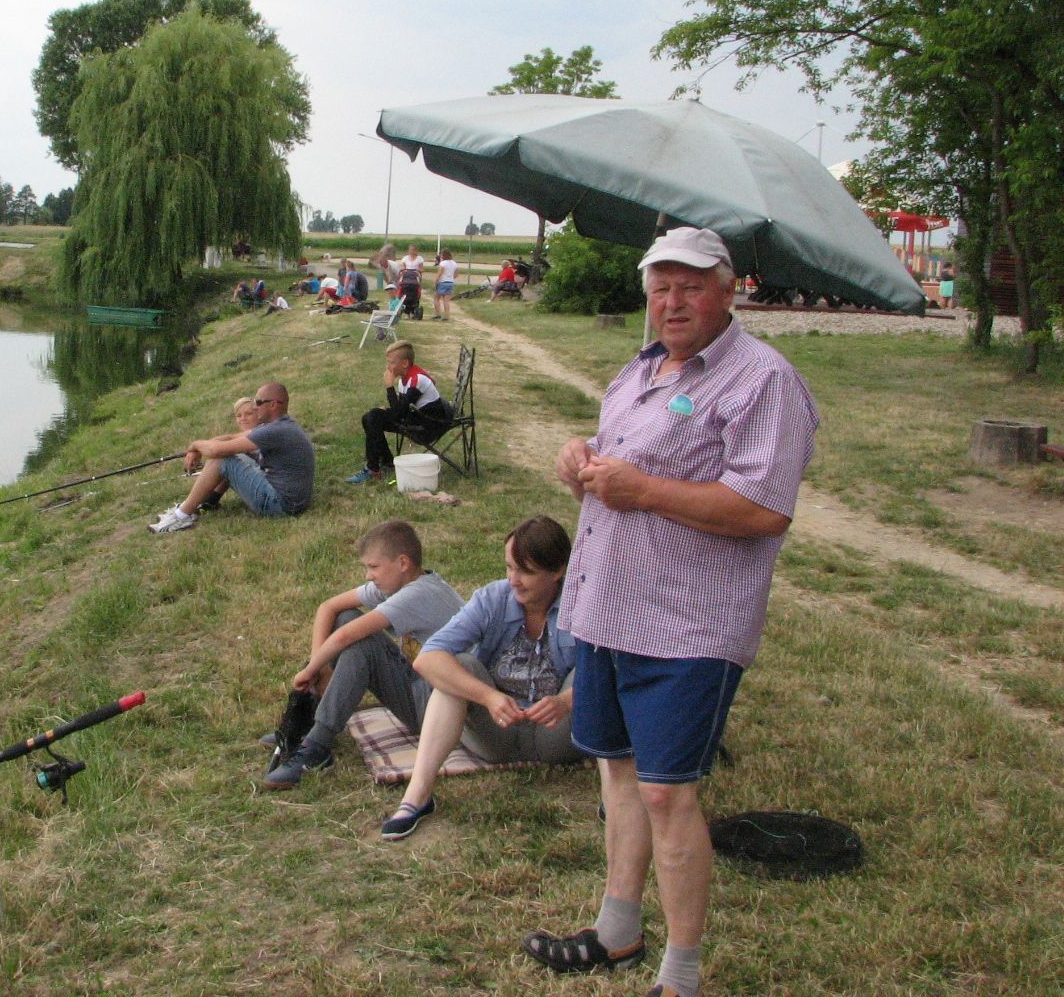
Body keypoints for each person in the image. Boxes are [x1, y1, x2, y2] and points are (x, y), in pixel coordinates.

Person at [526, 226, 817, 997]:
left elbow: (763, 509)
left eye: (690, 285)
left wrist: (642, 490)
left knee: (667, 792)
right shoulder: (643, 366)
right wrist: (578, 457)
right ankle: (616, 932)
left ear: (730, 289)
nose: (672, 301)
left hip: (688, 624)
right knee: (617, 774)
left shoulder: (764, 380)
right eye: (660, 286)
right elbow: (621, 457)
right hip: (608, 608)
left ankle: (680, 977)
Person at [379, 515, 581, 840]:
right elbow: (428, 660)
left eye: (525, 571)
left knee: (593, 674)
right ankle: (417, 797)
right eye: (509, 568)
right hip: (498, 730)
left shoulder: (581, 604)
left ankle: (615, 801)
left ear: (557, 572)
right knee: (457, 667)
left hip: (557, 733)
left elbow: (615, 671)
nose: (514, 580)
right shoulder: (493, 599)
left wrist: (563, 701)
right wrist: (489, 697)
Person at [262, 520, 463, 788]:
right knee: (345, 616)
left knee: (362, 646)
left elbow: (347, 637)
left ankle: (317, 747)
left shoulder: (419, 594)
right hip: (422, 686)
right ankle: (311, 722)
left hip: (440, 710)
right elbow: (329, 607)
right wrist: (320, 666)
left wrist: (310, 670)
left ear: (403, 563)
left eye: (374, 567)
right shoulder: (398, 583)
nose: (368, 575)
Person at [149, 382, 315, 533]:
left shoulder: (275, 430)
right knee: (230, 452)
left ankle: (181, 516)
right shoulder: (281, 425)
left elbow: (215, 451)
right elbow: (232, 438)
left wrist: (194, 445)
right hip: (292, 502)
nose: (255, 407)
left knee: (222, 459)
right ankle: (202, 504)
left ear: (273, 405)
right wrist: (196, 450)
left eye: (258, 402)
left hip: (281, 505)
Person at [347, 340, 450, 484]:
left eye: (391, 363)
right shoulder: (407, 377)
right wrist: (386, 410)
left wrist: (389, 387)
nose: (388, 367)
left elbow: (398, 414)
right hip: (417, 418)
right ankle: (386, 463)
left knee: (373, 417)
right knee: (369, 417)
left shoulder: (415, 380)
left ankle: (373, 469)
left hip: (428, 428)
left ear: (405, 363)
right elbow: (400, 410)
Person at [396, 245, 425, 319]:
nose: (411, 251)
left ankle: (413, 311)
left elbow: (422, 269)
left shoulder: (419, 259)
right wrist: (405, 272)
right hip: (406, 278)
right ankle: (406, 312)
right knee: (403, 293)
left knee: (416, 294)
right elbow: (403, 268)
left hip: (415, 278)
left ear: (415, 250)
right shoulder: (405, 258)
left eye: (413, 250)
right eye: (410, 250)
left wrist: (417, 271)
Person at [434, 248, 459, 321]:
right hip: (450, 282)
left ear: (443, 255)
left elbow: (439, 273)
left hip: (442, 282)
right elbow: (456, 274)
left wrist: (435, 281)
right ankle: (446, 316)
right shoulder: (454, 263)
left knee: (436, 298)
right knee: (446, 300)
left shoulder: (443, 263)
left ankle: (438, 314)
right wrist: (451, 277)